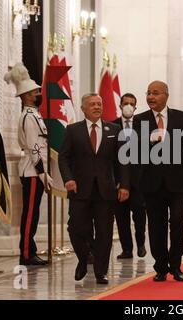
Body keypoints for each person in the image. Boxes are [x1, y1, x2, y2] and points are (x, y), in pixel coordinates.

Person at [133, 81, 183, 282]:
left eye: (155, 93)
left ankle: (176, 264)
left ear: (166, 95)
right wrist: (150, 139)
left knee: (179, 221)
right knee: (156, 226)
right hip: (151, 183)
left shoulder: (181, 117)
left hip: (178, 183)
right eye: (148, 93)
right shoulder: (140, 120)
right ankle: (161, 267)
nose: (150, 97)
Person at [58, 94, 130, 284]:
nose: (97, 107)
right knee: (75, 228)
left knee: (105, 232)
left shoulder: (114, 130)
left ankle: (101, 271)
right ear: (83, 108)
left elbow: (122, 161)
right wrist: (68, 179)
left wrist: (124, 185)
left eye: (99, 103)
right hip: (79, 189)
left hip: (106, 191)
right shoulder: (73, 130)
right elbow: (63, 157)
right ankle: (84, 258)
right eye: (92, 104)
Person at [4, 63, 52, 266]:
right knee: (30, 214)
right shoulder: (29, 117)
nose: (39, 93)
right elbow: (33, 147)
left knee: (34, 213)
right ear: (26, 96)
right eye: (35, 92)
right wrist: (42, 172)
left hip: (37, 170)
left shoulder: (35, 114)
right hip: (32, 171)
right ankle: (25, 254)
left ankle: (30, 250)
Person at [112, 93, 147, 259]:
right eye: (125, 103)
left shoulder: (143, 126)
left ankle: (140, 243)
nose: (128, 106)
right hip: (119, 181)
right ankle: (127, 249)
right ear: (120, 106)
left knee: (140, 216)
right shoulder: (111, 126)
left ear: (135, 107)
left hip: (139, 181)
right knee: (121, 217)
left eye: (131, 104)